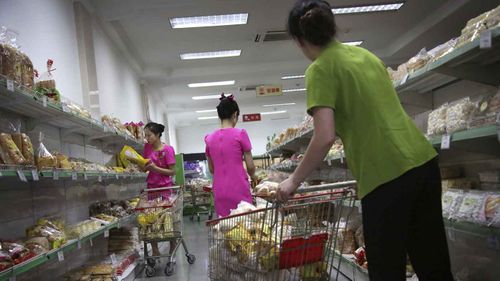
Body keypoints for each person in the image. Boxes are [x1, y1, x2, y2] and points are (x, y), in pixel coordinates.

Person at [277, 1, 454, 280]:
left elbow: (324, 136)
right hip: (423, 162)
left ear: (300, 41)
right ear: (332, 27)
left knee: (386, 270)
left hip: (384, 174)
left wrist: (293, 180)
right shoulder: (365, 55)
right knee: (433, 263)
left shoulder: (319, 69)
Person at [204, 94, 257, 217]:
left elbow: (212, 169)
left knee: (225, 226)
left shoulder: (209, 139)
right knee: (244, 225)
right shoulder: (240, 134)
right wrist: (254, 176)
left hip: (219, 190)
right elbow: (250, 166)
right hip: (238, 187)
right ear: (234, 115)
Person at [142, 122, 176, 259]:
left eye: (149, 135)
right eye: (145, 135)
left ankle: (172, 247)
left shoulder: (167, 150)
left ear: (157, 135)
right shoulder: (146, 148)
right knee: (151, 221)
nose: (146, 138)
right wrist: (141, 165)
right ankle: (155, 250)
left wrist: (155, 169)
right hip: (152, 189)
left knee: (168, 220)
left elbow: (172, 171)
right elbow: (144, 167)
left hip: (166, 189)